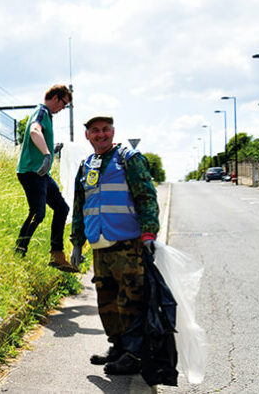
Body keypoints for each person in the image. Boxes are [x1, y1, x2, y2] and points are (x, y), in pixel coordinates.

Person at [68, 114, 159, 375]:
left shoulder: (129, 159)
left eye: (105, 129)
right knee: (106, 299)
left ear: (113, 131)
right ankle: (118, 346)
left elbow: (146, 196)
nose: (101, 134)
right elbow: (79, 206)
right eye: (95, 130)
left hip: (127, 243)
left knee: (130, 299)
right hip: (100, 244)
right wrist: (77, 242)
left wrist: (149, 234)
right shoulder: (86, 165)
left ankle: (134, 354)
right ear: (87, 135)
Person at [14, 84, 77, 272]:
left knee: (62, 208)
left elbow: (40, 135)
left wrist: (51, 148)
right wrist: (47, 153)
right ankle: (18, 252)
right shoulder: (41, 112)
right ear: (56, 97)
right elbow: (35, 131)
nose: (63, 109)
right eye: (64, 103)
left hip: (42, 174)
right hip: (31, 172)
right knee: (37, 213)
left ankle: (56, 255)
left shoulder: (47, 116)